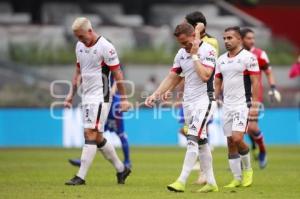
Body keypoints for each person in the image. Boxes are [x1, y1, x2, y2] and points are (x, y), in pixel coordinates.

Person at [145, 23, 218, 193]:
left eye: (185, 42)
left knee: (192, 137)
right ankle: (212, 183)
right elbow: (172, 76)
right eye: (180, 43)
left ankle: (181, 180)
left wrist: (194, 56)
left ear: (193, 36)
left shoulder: (208, 51)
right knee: (202, 142)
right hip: (188, 103)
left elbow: (206, 76)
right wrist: (156, 94)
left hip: (205, 101)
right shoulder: (181, 53)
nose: (184, 46)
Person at [64, 17, 131, 186]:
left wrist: (123, 99)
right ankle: (121, 169)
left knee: (89, 133)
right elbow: (78, 72)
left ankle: (81, 176)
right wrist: (71, 94)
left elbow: (118, 75)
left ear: (90, 30)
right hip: (87, 96)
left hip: (102, 96)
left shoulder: (106, 47)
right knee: (98, 137)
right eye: (77, 37)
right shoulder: (79, 46)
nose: (80, 40)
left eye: (81, 36)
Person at [215, 26, 259, 188]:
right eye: (224, 38)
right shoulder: (221, 59)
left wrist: (254, 105)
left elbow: (256, 82)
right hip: (227, 105)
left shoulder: (249, 58)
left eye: (230, 38)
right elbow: (218, 81)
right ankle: (236, 178)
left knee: (237, 138)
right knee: (230, 142)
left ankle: (248, 170)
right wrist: (214, 98)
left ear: (239, 39)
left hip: (243, 104)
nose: (226, 41)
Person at [69, 75, 132, 168]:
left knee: (121, 134)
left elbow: (117, 79)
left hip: (114, 105)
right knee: (93, 133)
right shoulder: (95, 67)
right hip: (101, 104)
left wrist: (112, 92)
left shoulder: (110, 63)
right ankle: (83, 160)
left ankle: (127, 161)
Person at [241, 28, 281, 168]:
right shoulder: (233, 55)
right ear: (241, 39)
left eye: (253, 38)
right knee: (241, 130)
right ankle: (242, 158)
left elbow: (268, 72)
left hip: (254, 96)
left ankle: (262, 151)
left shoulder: (259, 54)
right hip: (237, 96)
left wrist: (273, 87)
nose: (252, 40)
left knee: (251, 127)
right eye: (248, 38)